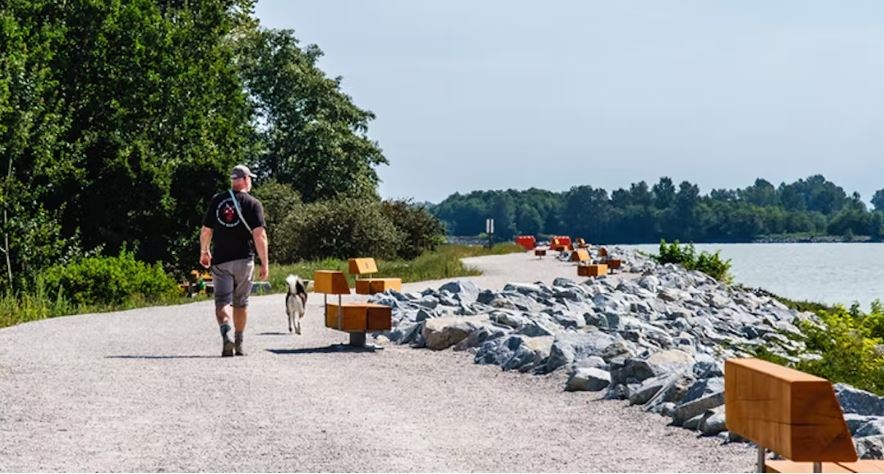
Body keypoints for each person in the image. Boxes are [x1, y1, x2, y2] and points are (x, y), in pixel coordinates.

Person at [199, 165, 269, 357]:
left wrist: (204, 251)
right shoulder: (253, 204)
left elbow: (206, 230)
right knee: (241, 303)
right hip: (244, 260)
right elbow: (259, 236)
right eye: (251, 178)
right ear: (246, 179)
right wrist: (265, 263)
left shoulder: (217, 200)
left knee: (222, 301)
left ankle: (226, 331)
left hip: (221, 260)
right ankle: (238, 343)